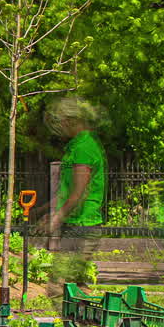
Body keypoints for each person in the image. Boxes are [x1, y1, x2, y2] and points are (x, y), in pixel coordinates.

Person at [45, 97, 106, 288]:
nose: (59, 127)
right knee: (72, 284)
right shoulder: (76, 146)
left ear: (71, 121)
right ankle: (84, 316)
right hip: (76, 223)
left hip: (82, 225)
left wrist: (57, 217)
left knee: (62, 284)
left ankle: (91, 316)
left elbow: (79, 191)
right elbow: (70, 189)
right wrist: (45, 209)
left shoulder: (83, 148)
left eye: (61, 122)